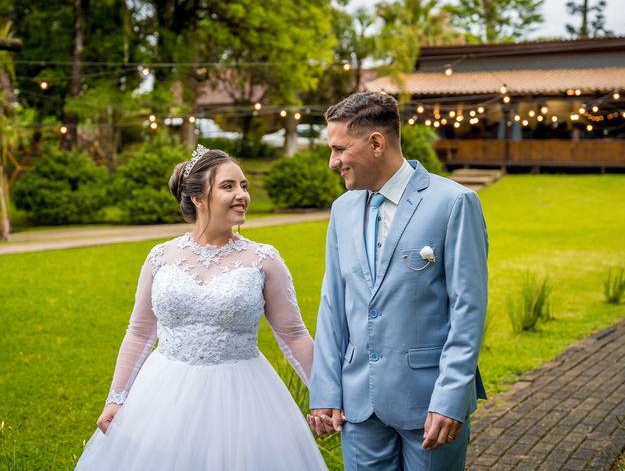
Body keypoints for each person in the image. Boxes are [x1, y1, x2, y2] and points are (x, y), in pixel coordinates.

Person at [76, 145, 327, 470]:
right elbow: (139, 333)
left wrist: (325, 397)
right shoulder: (160, 257)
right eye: (229, 186)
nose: (242, 195)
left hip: (243, 397)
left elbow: (293, 335)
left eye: (244, 185)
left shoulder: (264, 260)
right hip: (163, 394)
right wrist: (116, 397)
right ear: (198, 198)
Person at [308, 92, 488, 470]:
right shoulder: (342, 209)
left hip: (430, 404)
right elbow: (333, 305)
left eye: (340, 149)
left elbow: (467, 311)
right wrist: (326, 390)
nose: (332, 162)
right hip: (359, 407)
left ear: (376, 143)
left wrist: (450, 397)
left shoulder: (454, 202)